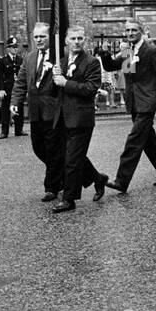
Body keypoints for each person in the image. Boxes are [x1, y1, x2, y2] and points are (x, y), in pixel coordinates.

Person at [100, 18, 156, 194]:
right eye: (127, 31)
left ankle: (121, 181)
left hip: (147, 102)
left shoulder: (150, 51)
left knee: (134, 141)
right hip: (133, 102)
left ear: (141, 31)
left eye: (134, 30)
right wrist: (104, 54)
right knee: (149, 140)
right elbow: (112, 66)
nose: (130, 34)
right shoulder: (128, 50)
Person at [49, 26, 109, 212]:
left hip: (81, 118)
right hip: (63, 117)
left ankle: (69, 199)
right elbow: (55, 91)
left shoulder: (91, 62)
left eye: (80, 39)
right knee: (72, 156)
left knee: (73, 160)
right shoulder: (62, 61)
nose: (77, 42)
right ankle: (98, 179)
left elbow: (91, 88)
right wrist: (55, 77)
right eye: (73, 39)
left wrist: (66, 83)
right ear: (66, 41)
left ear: (85, 40)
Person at [11, 23, 64, 201]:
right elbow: (20, 82)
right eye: (36, 37)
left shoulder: (59, 56)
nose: (39, 40)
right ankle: (94, 176)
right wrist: (15, 102)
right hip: (35, 111)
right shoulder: (30, 57)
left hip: (54, 111)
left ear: (50, 37)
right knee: (39, 147)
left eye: (42, 36)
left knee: (53, 149)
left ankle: (51, 187)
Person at [0, 37, 23, 138]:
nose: (15, 49)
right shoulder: (3, 60)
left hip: (18, 88)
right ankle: (4, 131)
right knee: (5, 110)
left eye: (16, 47)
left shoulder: (20, 60)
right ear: (8, 48)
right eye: (12, 47)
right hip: (7, 88)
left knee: (19, 108)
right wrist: (1, 89)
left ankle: (19, 130)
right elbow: (0, 76)